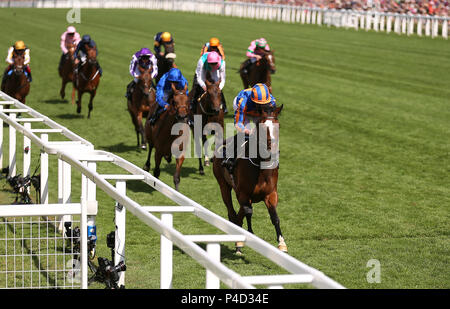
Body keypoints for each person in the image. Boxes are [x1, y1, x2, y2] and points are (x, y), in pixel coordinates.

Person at [221, 83, 276, 173]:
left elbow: (270, 121)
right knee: (245, 136)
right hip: (245, 111)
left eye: (264, 104)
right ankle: (229, 158)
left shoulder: (271, 102)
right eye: (259, 104)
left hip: (257, 114)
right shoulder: (243, 102)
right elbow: (238, 123)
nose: (262, 106)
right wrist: (245, 130)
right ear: (253, 100)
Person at [190, 51, 227, 115]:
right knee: (197, 88)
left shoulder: (222, 63)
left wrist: (218, 88)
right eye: (211, 63)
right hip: (203, 70)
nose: (213, 65)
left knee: (216, 91)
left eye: (215, 63)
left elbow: (223, 80)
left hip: (215, 71)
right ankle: (193, 106)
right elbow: (199, 78)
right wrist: (204, 86)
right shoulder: (201, 62)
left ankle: (224, 107)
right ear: (208, 62)